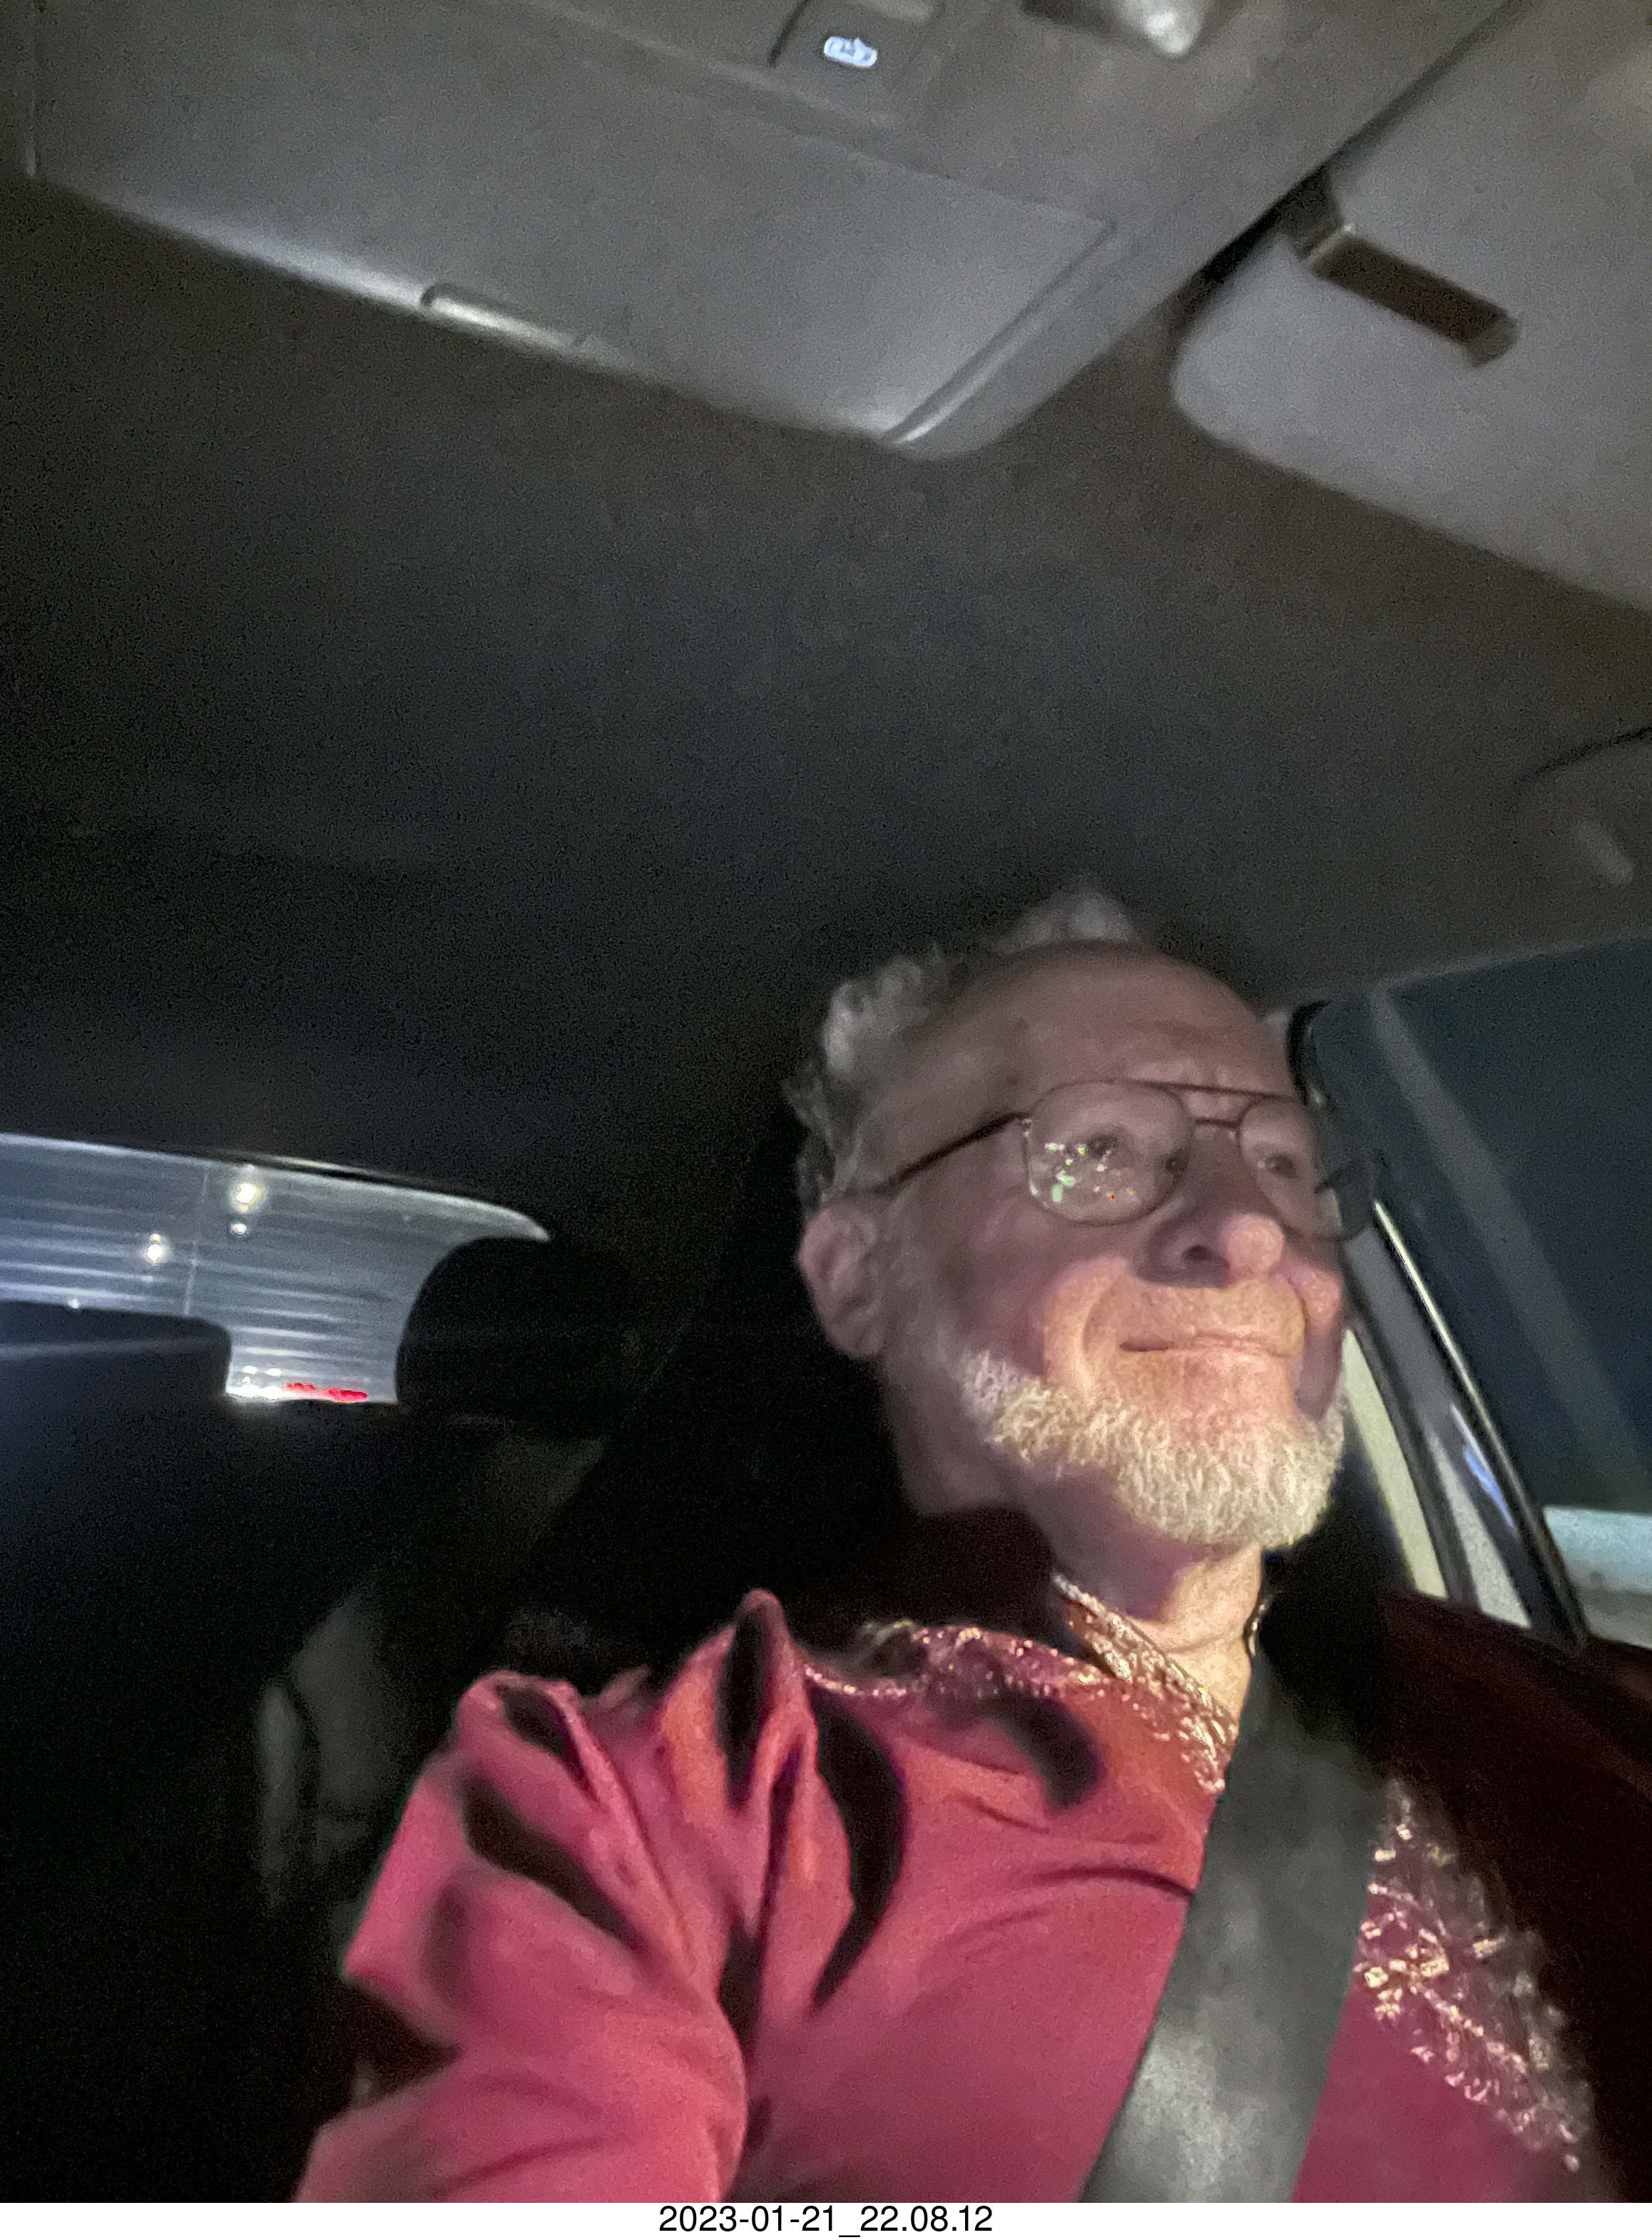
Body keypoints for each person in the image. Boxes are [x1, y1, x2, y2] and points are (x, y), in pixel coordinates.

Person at [297, 888, 1623, 2201]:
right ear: (858, 1278)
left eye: (1284, 1162)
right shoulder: (636, 1822)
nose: (1250, 1227)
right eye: (1101, 1150)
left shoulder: (1567, 1709)